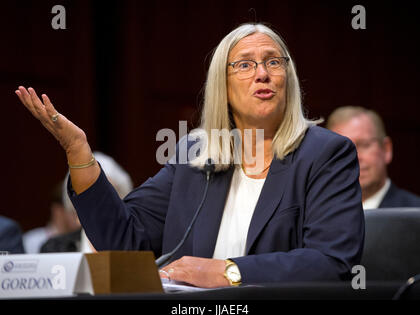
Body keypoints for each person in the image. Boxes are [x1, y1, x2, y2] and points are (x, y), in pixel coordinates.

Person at [15, 23, 364, 288]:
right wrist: (79, 152)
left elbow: (331, 261)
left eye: (274, 62)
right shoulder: (195, 156)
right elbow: (125, 240)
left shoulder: (325, 153)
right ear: (222, 87)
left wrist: (229, 271)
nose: (263, 73)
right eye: (245, 64)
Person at [326, 106, 420, 209]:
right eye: (342, 150)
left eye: (364, 145)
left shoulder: (415, 213)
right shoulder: (314, 215)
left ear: (386, 149)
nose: (354, 158)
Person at [40, 151, 134, 253]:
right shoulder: (54, 248)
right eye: (88, 195)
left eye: (107, 196)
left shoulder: (138, 245)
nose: (99, 204)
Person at [23, 181, 81, 253]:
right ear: (58, 211)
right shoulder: (32, 241)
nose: (80, 220)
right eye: (74, 212)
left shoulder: (83, 241)